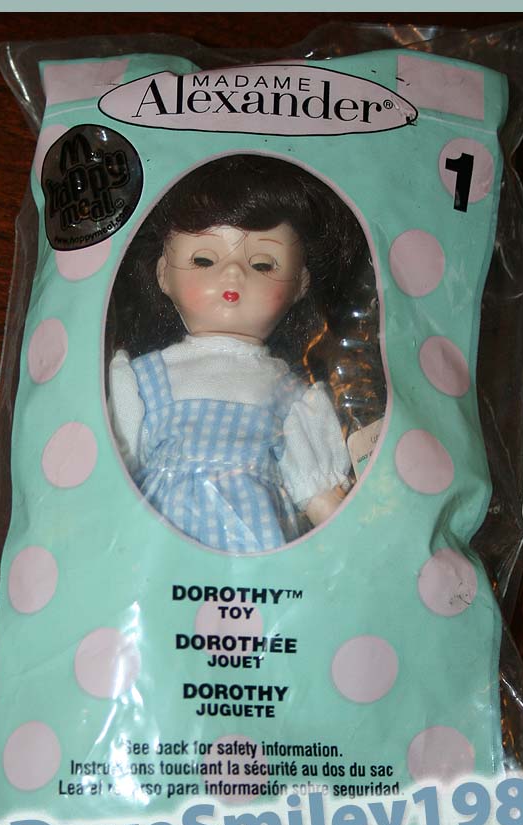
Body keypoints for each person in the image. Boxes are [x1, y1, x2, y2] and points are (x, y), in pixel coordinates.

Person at [107, 154, 371, 553]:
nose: (233, 273)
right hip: (156, 537)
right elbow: (113, 466)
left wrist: (358, 544)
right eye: (203, 260)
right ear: (163, 274)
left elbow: (317, 494)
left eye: (263, 264)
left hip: (254, 539)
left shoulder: (290, 395)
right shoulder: (143, 379)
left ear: (300, 284)